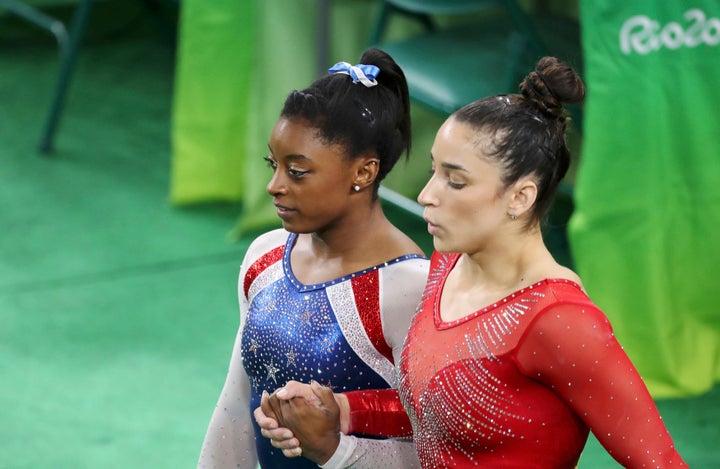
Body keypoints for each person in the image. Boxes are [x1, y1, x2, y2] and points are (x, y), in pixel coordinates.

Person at [257, 56, 689, 468]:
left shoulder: (560, 321)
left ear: (520, 197)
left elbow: (662, 462)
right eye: (433, 171)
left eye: (455, 181)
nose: (427, 194)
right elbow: (442, 417)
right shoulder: (447, 265)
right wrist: (343, 412)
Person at [197, 48, 429, 468]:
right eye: (273, 164)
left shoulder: (410, 288)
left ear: (364, 171)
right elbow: (236, 404)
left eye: (297, 171)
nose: (274, 186)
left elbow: (433, 449)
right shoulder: (264, 257)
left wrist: (335, 451)